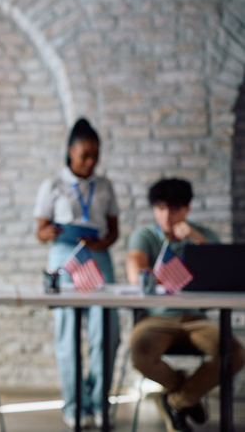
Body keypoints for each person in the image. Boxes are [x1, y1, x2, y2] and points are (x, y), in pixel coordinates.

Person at [126, 177, 245, 432]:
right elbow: (136, 275)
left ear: (187, 208)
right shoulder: (144, 235)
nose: (166, 216)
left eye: (174, 208)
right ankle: (186, 393)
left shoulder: (202, 236)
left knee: (234, 353)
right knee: (140, 352)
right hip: (155, 319)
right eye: (160, 208)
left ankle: (176, 401)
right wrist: (172, 273)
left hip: (195, 318)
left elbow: (224, 272)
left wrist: (195, 239)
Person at [33, 117, 120, 429]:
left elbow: (114, 232)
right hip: (64, 261)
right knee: (67, 337)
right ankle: (74, 405)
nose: (91, 161)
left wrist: (102, 241)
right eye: (85, 155)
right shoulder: (52, 185)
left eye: (96, 155)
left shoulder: (105, 185)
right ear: (70, 151)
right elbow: (39, 231)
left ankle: (99, 402)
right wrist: (54, 231)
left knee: (106, 335)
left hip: (98, 260)